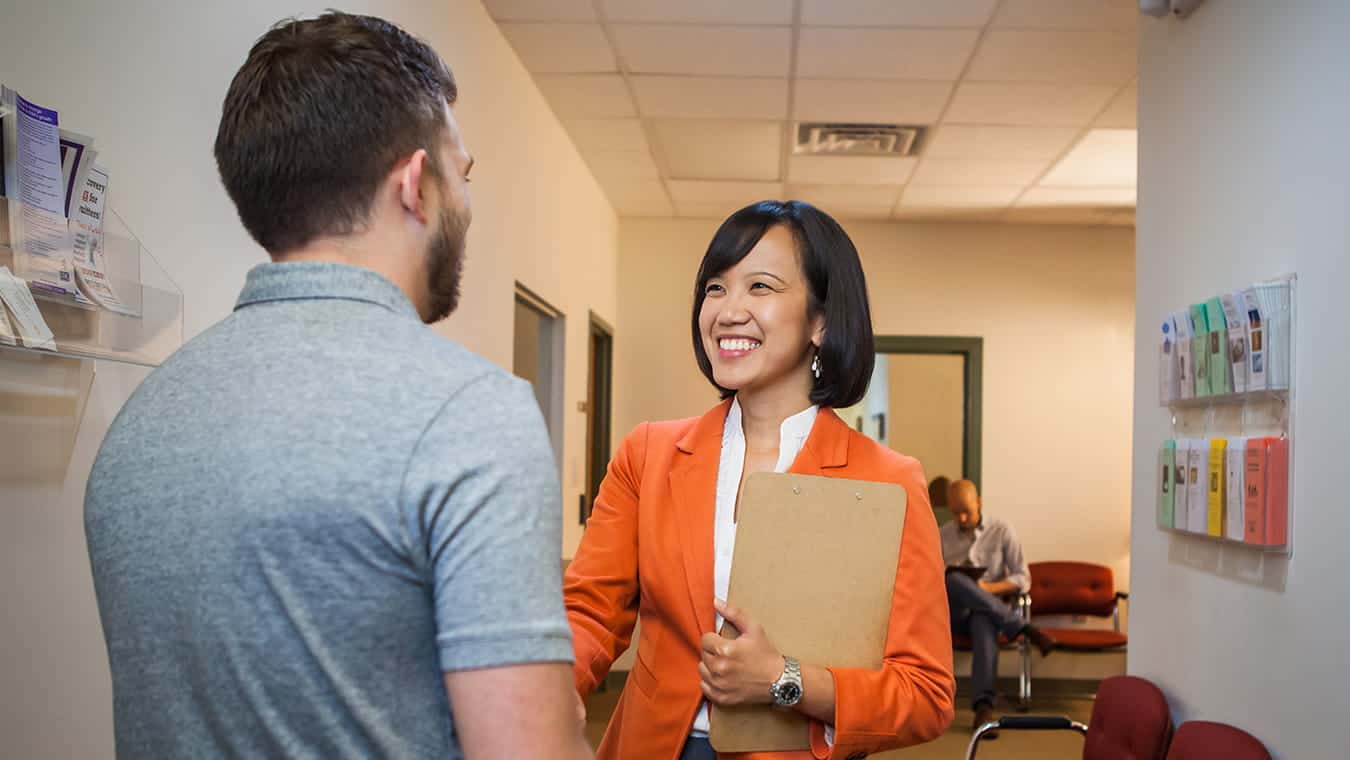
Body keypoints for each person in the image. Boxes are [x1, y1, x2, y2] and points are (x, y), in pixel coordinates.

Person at [83, 13, 592, 759]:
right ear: (416, 185)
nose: (468, 202)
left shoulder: (142, 417)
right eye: (465, 173)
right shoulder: (470, 413)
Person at [564, 201, 955, 760]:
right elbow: (591, 610)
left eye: (761, 287)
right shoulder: (648, 454)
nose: (728, 311)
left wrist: (784, 680)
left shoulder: (887, 483)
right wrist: (559, 681)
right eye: (716, 288)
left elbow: (925, 693)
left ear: (820, 320)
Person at [940, 479, 1057, 735]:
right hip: (954, 615)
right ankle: (1025, 628)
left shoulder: (1002, 530)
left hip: (988, 611)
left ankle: (983, 709)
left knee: (984, 620)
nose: (960, 518)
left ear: (979, 502)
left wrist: (986, 589)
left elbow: (1022, 578)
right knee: (953, 579)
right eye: (955, 512)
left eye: (966, 511)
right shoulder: (943, 535)